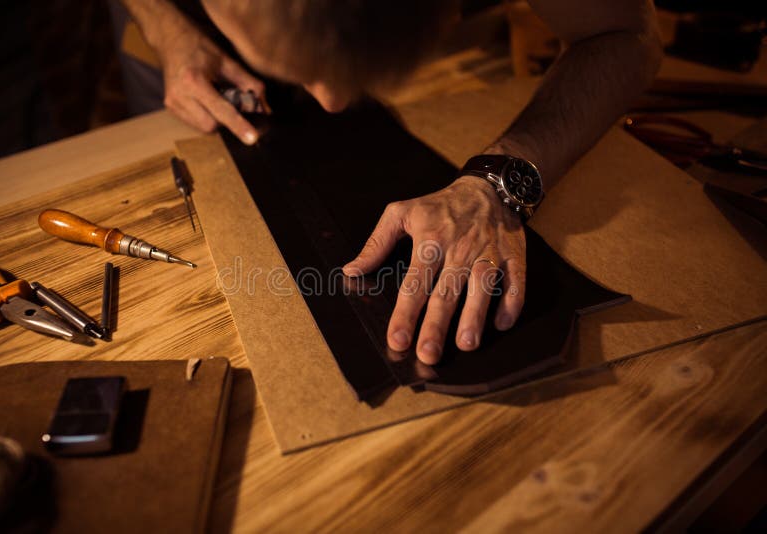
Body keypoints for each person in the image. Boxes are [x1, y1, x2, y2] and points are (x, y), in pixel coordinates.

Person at [121, 0, 662, 364]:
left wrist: (500, 179)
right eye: (306, 70)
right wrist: (166, 28)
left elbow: (625, 35)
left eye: (353, 70)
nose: (331, 102)